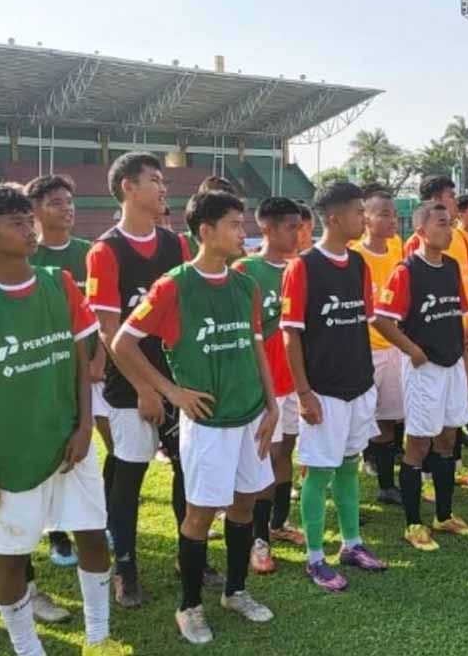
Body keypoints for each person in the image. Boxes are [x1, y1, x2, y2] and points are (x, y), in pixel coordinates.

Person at [0, 183, 115, 655]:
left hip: (69, 442)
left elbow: (82, 360)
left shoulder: (60, 283)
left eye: (28, 218)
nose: (29, 228)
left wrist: (83, 427)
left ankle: (98, 634)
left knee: (93, 535)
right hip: (10, 451)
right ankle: (26, 646)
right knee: (12, 555)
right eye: (15, 222)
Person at [113, 189, 278, 643]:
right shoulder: (174, 285)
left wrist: (272, 403)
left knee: (246, 504)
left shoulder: (245, 284)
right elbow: (123, 342)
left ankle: (235, 590)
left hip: (250, 416)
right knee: (200, 514)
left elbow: (256, 346)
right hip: (208, 423)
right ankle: (189, 606)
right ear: (206, 231)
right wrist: (169, 391)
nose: (242, 232)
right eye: (234, 224)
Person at [85, 152, 198, 607]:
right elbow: (111, 333)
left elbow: (185, 317)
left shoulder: (177, 247)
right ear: (127, 188)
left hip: (178, 381)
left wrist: (177, 383)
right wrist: (146, 388)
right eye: (154, 180)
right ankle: (125, 566)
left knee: (188, 468)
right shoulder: (104, 251)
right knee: (129, 475)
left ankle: (187, 553)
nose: (163, 188)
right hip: (129, 386)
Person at [281, 182, 387, 591]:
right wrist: (304, 393)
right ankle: (313, 558)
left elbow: (362, 322)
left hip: (358, 384)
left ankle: (352, 544)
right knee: (320, 471)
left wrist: (368, 381)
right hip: (322, 390)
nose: (364, 218)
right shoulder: (302, 267)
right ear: (335, 218)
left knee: (348, 464)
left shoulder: (358, 264)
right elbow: (291, 335)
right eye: (359, 212)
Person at [374, 201, 468, 550]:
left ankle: (444, 515)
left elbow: (457, 320)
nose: (449, 230)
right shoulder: (406, 271)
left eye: (450, 224)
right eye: (441, 224)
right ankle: (413, 523)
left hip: (452, 365)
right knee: (418, 444)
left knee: (448, 439)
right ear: (420, 231)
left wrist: (465, 365)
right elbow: (381, 318)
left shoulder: (451, 267)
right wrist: (412, 350)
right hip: (424, 369)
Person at [233, 198, 306, 575]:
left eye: (300, 226)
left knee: (287, 451)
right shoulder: (245, 270)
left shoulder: (300, 268)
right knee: (267, 456)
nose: (298, 233)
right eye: (290, 227)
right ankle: (258, 538)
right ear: (267, 229)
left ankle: (278, 523)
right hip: (266, 385)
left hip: (298, 381)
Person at [26, 174, 94, 568]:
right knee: (51, 449)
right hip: (43, 371)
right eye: (55, 202)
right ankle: (56, 534)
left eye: (70, 201)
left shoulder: (89, 252)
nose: (66, 208)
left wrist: (98, 359)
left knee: (89, 449)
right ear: (33, 211)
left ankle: (89, 522)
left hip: (89, 371)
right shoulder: (25, 258)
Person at [352, 187, 406, 506]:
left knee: (388, 418)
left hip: (395, 347)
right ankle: (351, 488)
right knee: (357, 424)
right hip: (364, 352)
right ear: (366, 218)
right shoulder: (355, 255)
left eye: (394, 215)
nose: (391, 220)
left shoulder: (398, 250)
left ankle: (387, 484)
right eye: (384, 214)